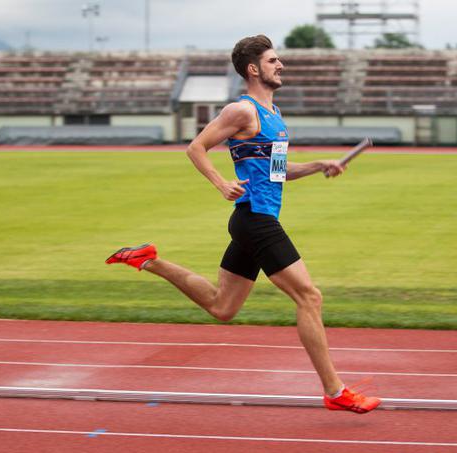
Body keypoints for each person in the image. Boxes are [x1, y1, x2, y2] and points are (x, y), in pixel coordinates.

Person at [106, 35, 381, 414]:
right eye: (272, 61)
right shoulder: (242, 111)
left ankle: (149, 260)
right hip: (255, 219)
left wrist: (320, 165)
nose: (280, 65)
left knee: (223, 308)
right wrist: (221, 183)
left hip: (256, 219)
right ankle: (335, 391)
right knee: (309, 297)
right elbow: (195, 147)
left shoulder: (275, 115)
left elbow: (278, 172)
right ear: (253, 69)